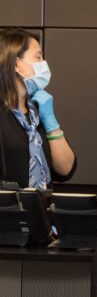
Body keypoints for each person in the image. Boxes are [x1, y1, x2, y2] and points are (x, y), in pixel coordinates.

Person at [0, 28, 76, 188]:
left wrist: (51, 123)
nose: (44, 63)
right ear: (16, 64)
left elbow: (65, 170)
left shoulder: (37, 112)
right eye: (38, 56)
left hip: (40, 209)